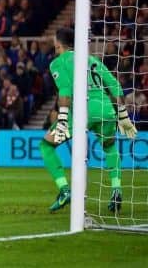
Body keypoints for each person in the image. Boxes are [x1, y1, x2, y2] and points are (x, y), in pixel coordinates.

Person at [41, 28, 137, 212]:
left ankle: (64, 190)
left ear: (58, 43)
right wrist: (123, 116)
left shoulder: (57, 63)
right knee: (110, 147)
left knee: (46, 146)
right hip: (106, 110)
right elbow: (115, 86)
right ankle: (116, 188)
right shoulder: (92, 59)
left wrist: (62, 119)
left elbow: (65, 91)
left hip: (81, 112)